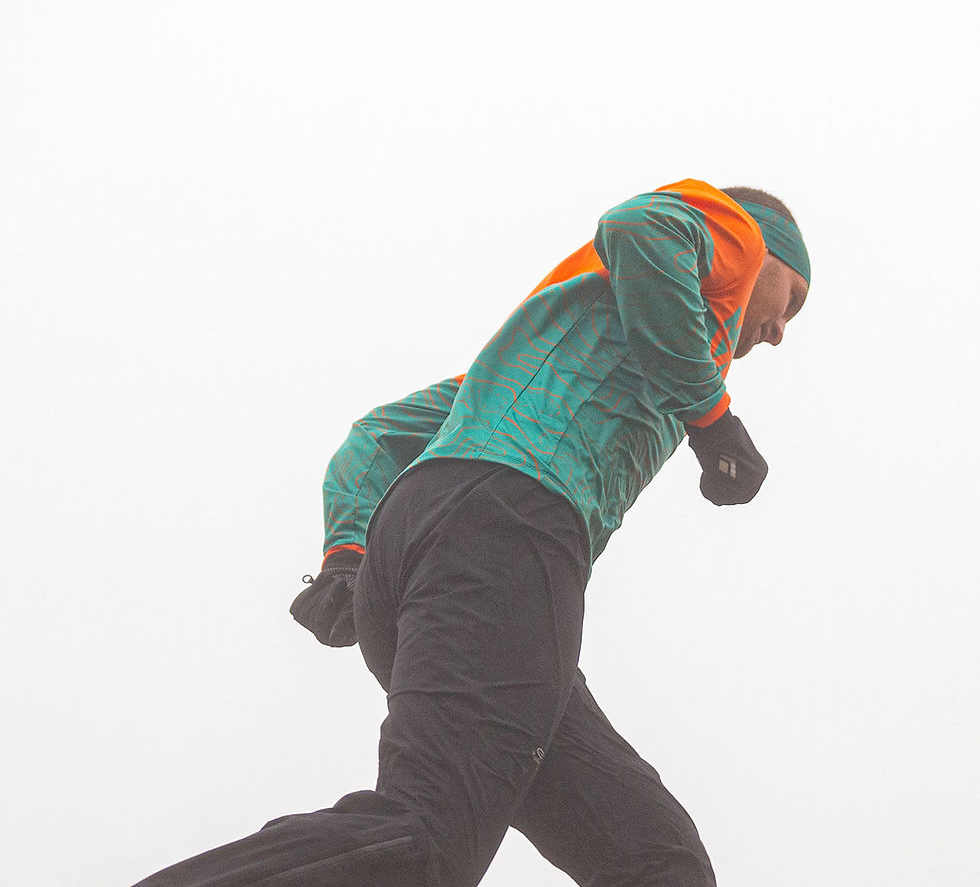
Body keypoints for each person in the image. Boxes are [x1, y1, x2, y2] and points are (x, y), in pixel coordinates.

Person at [134, 179, 810, 886]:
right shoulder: (735, 235)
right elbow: (641, 227)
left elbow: (380, 436)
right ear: (760, 252)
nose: (780, 330)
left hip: (444, 561)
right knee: (428, 837)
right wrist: (712, 417)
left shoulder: (523, 369)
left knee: (655, 859)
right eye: (790, 301)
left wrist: (346, 556)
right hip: (505, 534)